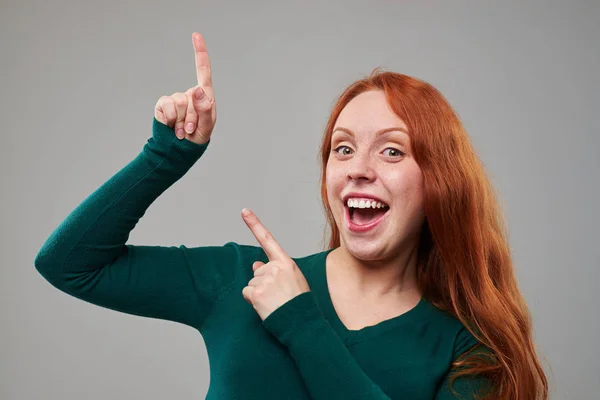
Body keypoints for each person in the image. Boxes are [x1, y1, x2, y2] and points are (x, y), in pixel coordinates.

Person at [34, 32, 549, 399]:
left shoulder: (470, 351)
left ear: (440, 181)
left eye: (392, 152)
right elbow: (70, 264)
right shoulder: (242, 281)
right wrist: (165, 156)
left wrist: (301, 324)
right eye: (342, 150)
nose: (359, 170)